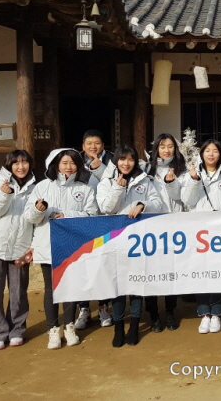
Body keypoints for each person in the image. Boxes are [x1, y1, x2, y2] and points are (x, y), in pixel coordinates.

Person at [24, 148, 98, 349]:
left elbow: (92, 215)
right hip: (48, 244)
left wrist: (68, 215)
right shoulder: (42, 187)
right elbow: (29, 217)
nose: (69, 167)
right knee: (51, 289)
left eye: (73, 163)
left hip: (73, 245)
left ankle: (69, 327)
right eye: (64, 163)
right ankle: (53, 330)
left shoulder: (84, 189)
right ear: (55, 164)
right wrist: (38, 209)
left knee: (70, 287)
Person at [97, 145, 164, 347]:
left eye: (131, 159)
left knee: (136, 283)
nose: (126, 163)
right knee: (118, 285)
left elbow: (158, 203)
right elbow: (106, 208)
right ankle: (118, 327)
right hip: (115, 240)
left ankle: (134, 326)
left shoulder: (144, 180)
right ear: (116, 161)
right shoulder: (106, 182)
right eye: (122, 159)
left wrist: (143, 205)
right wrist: (118, 188)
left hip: (138, 241)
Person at [0, 149, 36, 350]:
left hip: (20, 247)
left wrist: (33, 245)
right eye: (16, 163)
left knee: (19, 291)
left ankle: (17, 330)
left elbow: (34, 218)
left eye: (24, 162)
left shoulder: (35, 188)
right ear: (9, 165)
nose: (21, 167)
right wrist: (5, 194)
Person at [182, 139, 221, 334]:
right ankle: (203, 314)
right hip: (198, 232)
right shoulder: (192, 175)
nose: (211, 154)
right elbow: (187, 201)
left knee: (217, 271)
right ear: (202, 154)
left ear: (220, 154)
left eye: (215, 150)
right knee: (201, 272)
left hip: (220, 233)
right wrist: (193, 181)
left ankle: (216, 313)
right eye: (207, 150)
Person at [144, 133, 188, 332]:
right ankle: (153, 314)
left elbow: (183, 197)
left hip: (174, 225)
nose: (167, 150)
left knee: (171, 271)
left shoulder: (182, 170)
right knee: (151, 272)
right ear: (156, 150)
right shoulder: (147, 170)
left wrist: (171, 183)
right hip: (151, 227)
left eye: (170, 146)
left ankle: (170, 311)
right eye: (162, 146)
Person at [75, 129, 114, 330]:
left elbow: (115, 182)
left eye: (97, 143)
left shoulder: (113, 160)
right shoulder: (74, 161)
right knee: (82, 264)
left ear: (103, 145)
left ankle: (103, 306)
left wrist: (99, 169)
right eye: (89, 143)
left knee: (103, 265)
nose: (93, 147)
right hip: (82, 220)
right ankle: (83, 308)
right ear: (83, 146)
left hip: (105, 219)